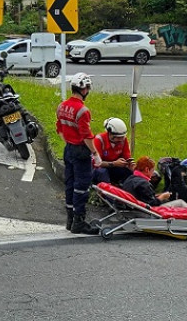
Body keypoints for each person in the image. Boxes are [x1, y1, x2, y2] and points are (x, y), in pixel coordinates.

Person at [57, 72, 101, 235]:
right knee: (81, 187)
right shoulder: (83, 110)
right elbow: (87, 136)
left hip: (68, 149)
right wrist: (95, 153)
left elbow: (59, 129)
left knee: (69, 184)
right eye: (88, 88)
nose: (88, 91)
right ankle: (79, 222)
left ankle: (70, 220)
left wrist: (69, 141)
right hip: (81, 151)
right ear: (83, 89)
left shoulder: (62, 106)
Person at [121, 157, 187, 208]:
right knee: (180, 202)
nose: (153, 173)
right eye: (152, 170)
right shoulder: (143, 183)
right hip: (145, 212)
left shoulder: (130, 179)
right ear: (147, 169)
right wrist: (162, 197)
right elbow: (152, 204)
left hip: (133, 207)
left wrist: (156, 196)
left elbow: (143, 197)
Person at [92, 117, 135, 185]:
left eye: (122, 137)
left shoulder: (123, 140)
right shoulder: (99, 140)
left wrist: (129, 165)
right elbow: (97, 164)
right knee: (102, 172)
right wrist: (114, 163)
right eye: (118, 137)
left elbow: (127, 156)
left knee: (129, 173)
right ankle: (107, 190)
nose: (120, 140)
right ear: (109, 133)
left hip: (113, 167)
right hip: (98, 169)